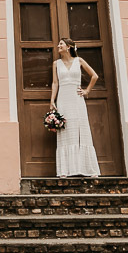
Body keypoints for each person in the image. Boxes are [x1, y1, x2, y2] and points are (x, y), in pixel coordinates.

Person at [49, 37, 100, 178]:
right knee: (66, 130)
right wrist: (52, 100)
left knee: (80, 129)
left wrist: (87, 91)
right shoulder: (56, 64)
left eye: (61, 44)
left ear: (69, 47)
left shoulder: (79, 61)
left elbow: (94, 76)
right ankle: (65, 170)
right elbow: (55, 83)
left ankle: (88, 169)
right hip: (63, 99)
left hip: (77, 99)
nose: (58, 46)